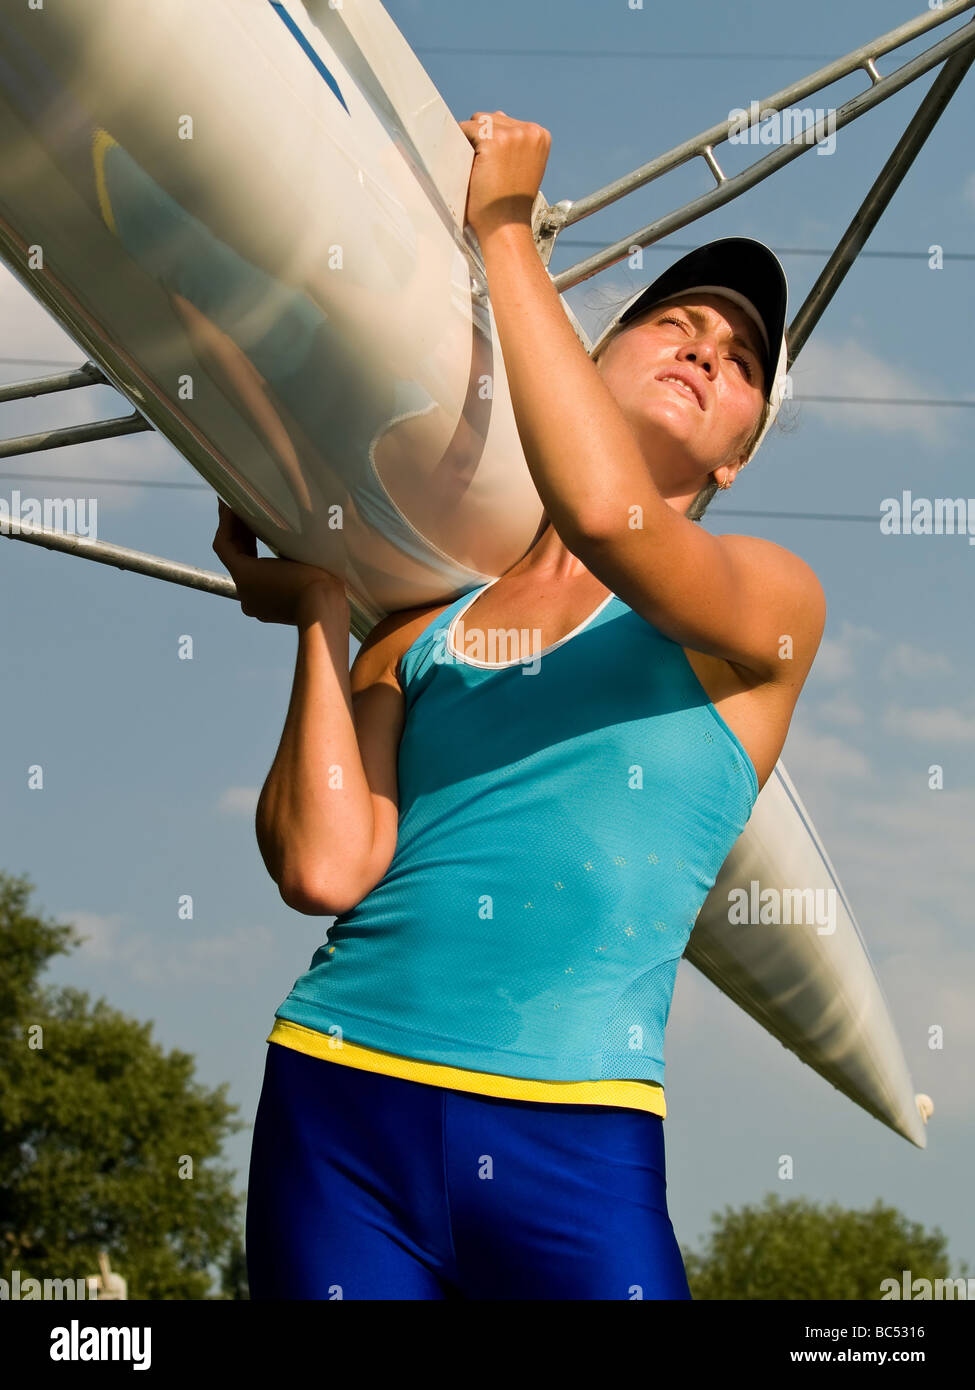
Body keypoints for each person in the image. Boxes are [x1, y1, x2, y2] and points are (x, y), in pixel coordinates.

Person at [213, 113, 826, 1300]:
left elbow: (603, 514)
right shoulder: (419, 633)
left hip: (577, 1143)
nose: (708, 353)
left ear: (738, 454)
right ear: (585, 366)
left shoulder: (768, 605)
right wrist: (322, 615)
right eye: (675, 325)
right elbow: (324, 870)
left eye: (742, 362)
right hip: (339, 1103)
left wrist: (504, 226)